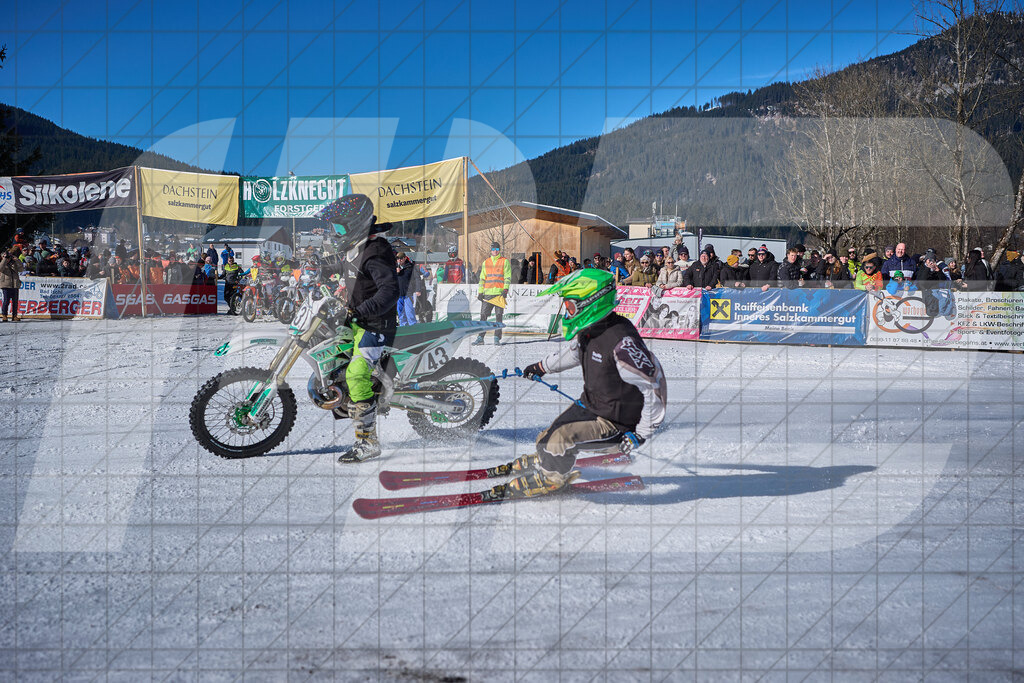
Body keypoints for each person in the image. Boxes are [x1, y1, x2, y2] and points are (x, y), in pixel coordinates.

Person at [512, 269, 667, 498]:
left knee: (559, 441)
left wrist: (641, 434)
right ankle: (549, 458)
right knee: (544, 438)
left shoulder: (621, 342)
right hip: (592, 405)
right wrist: (542, 367)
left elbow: (655, 385)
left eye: (571, 306)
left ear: (591, 303)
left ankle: (553, 478)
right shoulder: (590, 329)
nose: (567, 311)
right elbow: (574, 353)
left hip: (617, 421)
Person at [316, 194, 399, 463]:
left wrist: (358, 311)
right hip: (357, 322)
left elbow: (389, 291)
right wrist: (323, 267)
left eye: (338, 228)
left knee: (356, 373)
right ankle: (347, 403)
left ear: (355, 225)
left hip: (376, 325)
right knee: (333, 356)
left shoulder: (376, 252)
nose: (334, 233)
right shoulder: (357, 247)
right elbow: (347, 264)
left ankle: (368, 441)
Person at [473, 241, 511, 345]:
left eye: (497, 249)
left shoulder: (504, 261)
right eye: (493, 249)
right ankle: (480, 338)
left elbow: (507, 277)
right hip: (488, 294)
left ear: (499, 250)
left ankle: (496, 338)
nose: (495, 251)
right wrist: (480, 292)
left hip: (499, 294)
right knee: (483, 316)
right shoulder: (486, 262)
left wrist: (505, 289)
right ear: (491, 250)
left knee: (499, 316)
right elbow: (482, 278)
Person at [395, 252, 419, 326]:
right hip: (398, 293)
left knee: (409, 312)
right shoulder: (395, 268)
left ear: (405, 258)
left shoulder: (410, 267)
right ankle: (403, 326)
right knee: (400, 313)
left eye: (401, 258)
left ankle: (413, 325)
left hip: (408, 293)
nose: (400, 260)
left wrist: (418, 289)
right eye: (398, 259)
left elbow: (417, 278)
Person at [1, 247, 23, 322]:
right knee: (6, 301)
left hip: (15, 284)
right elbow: (0, 269)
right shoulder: (2, 263)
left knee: (15, 302)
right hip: (6, 284)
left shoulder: (14, 263)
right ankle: (4, 315)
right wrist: (4, 259)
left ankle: (14, 316)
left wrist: (17, 260)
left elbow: (21, 269)